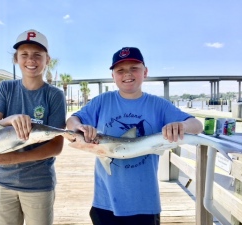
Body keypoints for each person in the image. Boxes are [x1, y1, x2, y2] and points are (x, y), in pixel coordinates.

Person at [66, 47, 203, 225]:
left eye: (134, 68)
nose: (127, 74)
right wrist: (78, 126)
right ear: (113, 76)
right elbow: (72, 121)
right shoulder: (102, 101)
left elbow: (197, 126)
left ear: (145, 72)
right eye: (120, 70)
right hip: (105, 201)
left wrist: (181, 125)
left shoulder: (158, 105)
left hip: (145, 202)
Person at [0, 29, 66, 225]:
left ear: (47, 59)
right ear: (16, 59)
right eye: (24, 55)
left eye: (37, 55)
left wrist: (13, 158)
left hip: (39, 184)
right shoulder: (6, 88)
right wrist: (9, 119)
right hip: (3, 182)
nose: (31, 60)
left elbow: (56, 145)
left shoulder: (54, 95)